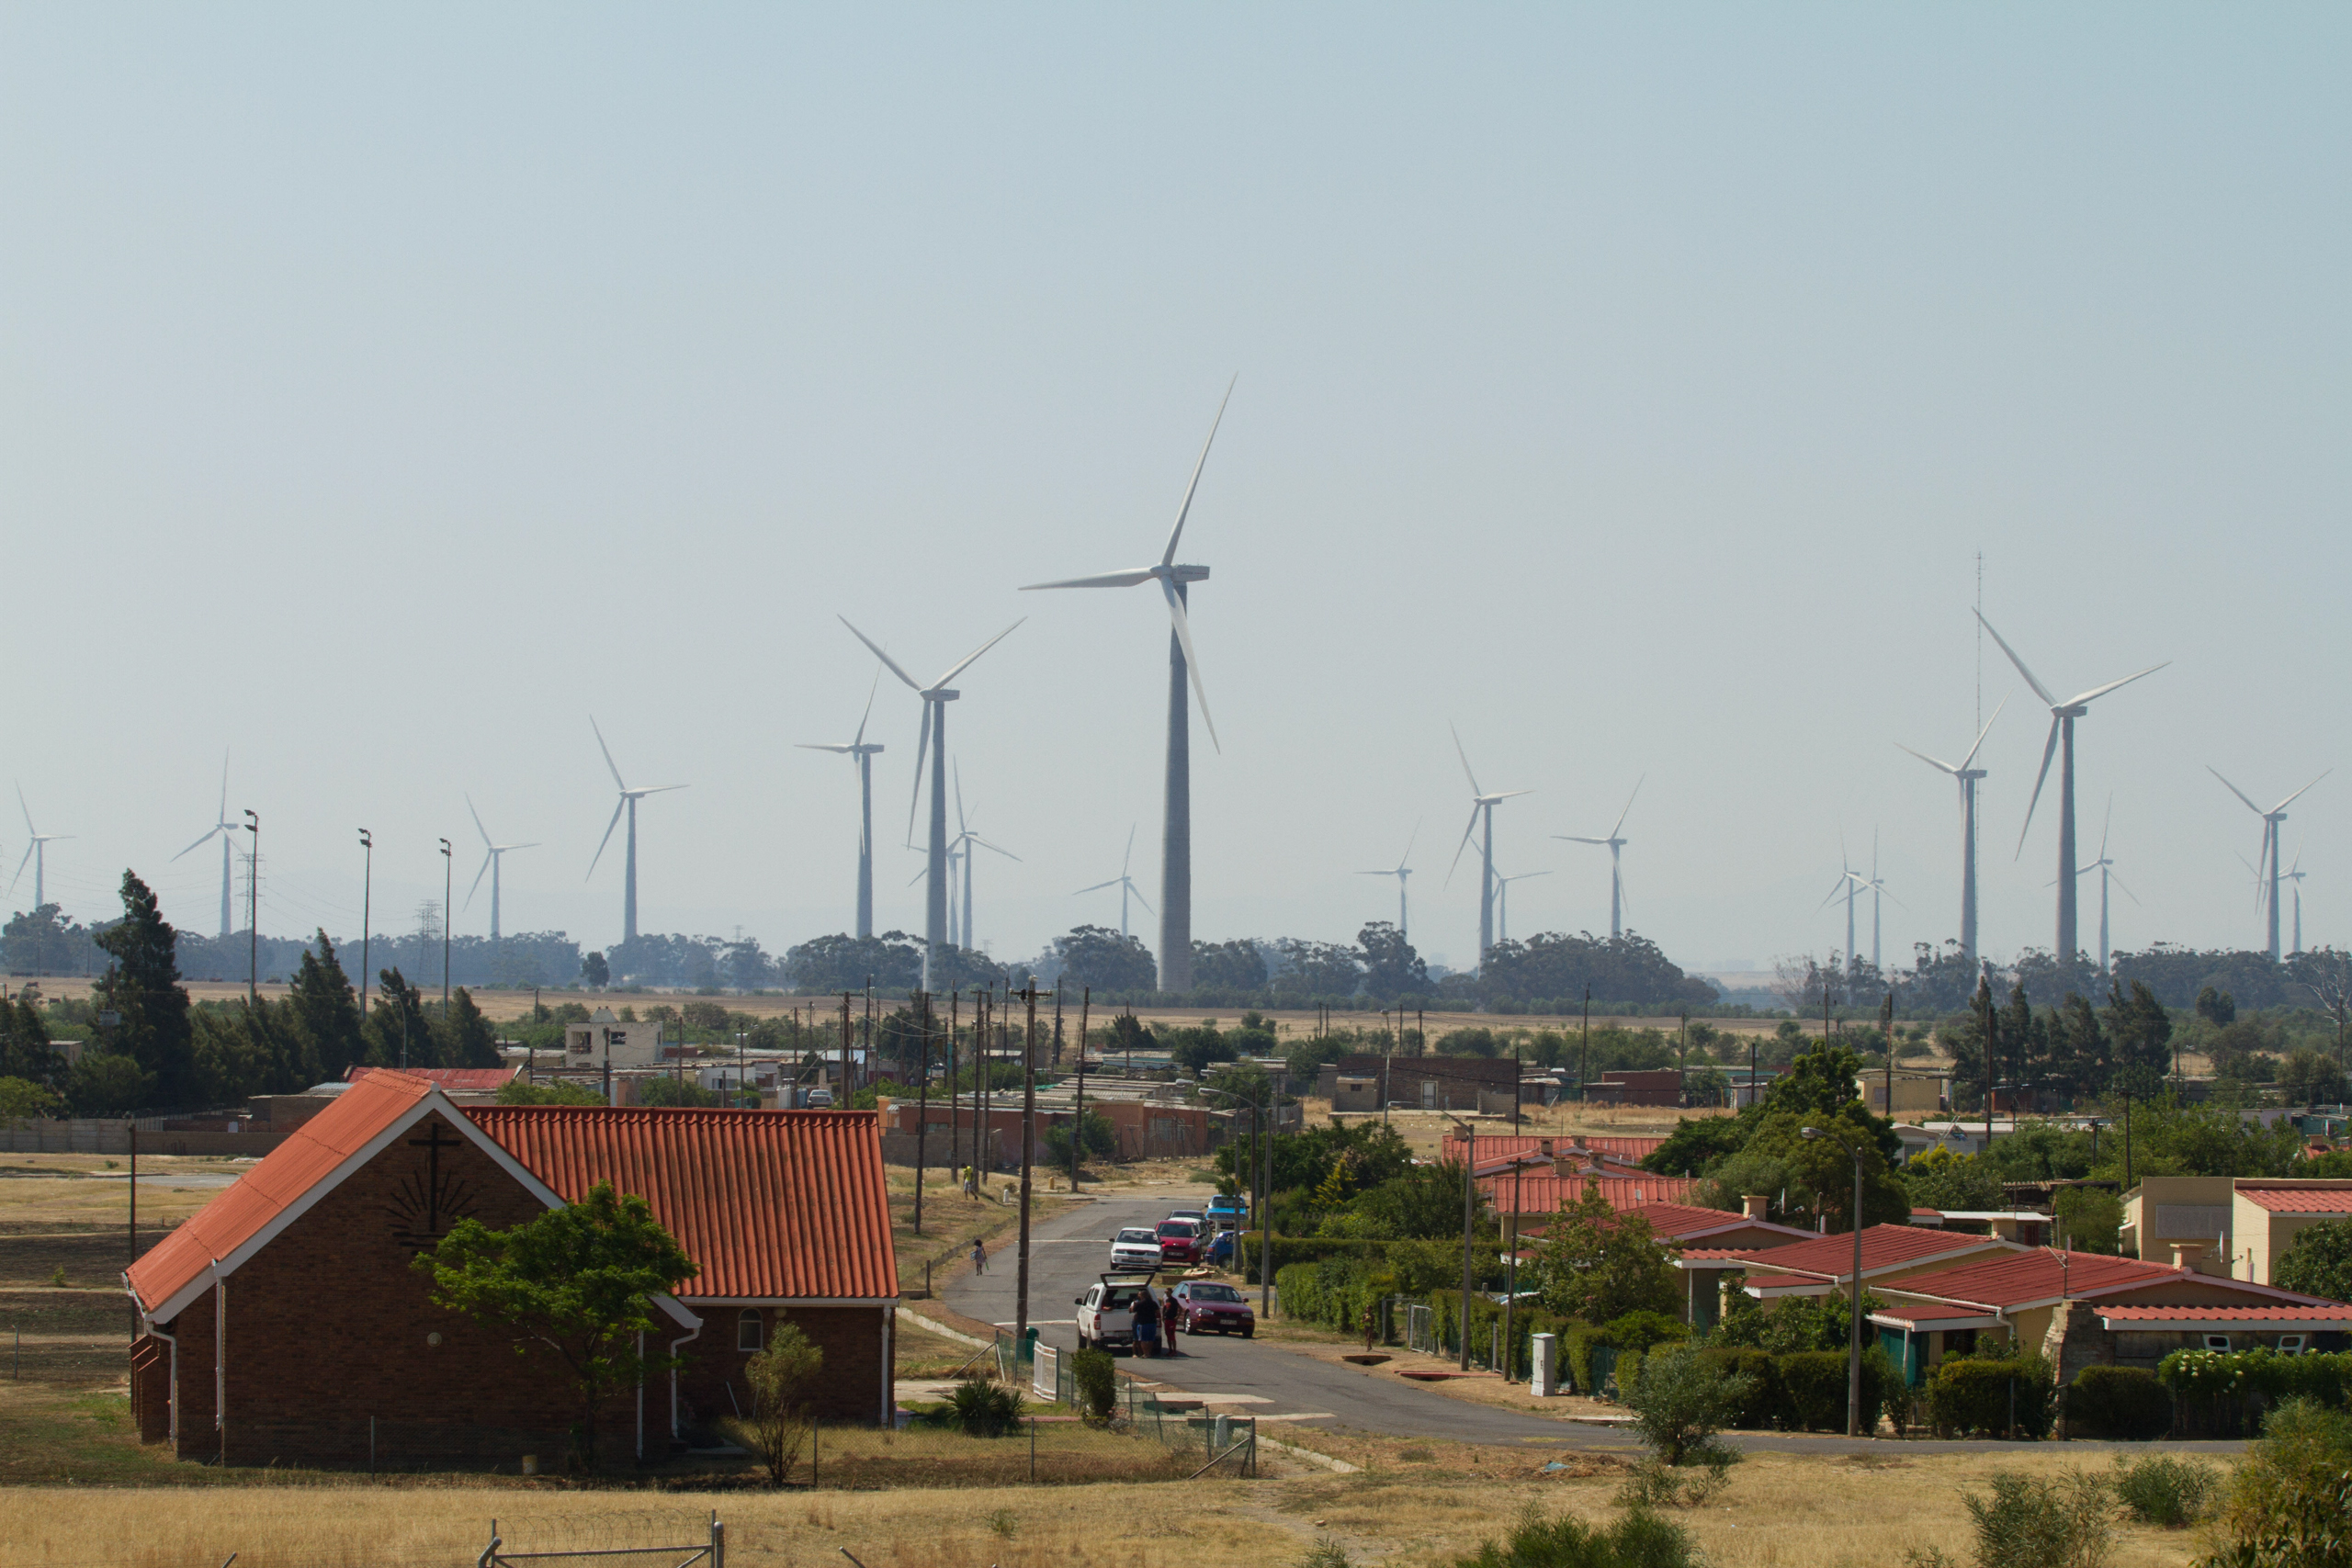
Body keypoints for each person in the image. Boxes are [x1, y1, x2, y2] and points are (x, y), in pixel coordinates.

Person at [1132, 1284, 1160, 1359]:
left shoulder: (1140, 1303)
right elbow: (1157, 1311)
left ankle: (1145, 1354)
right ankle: (1149, 1353)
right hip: (1152, 1323)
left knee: (1143, 1339)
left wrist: (1134, 1305)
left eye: (1140, 1295)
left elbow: (1133, 1310)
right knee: (1151, 1339)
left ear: (1142, 1296)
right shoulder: (1153, 1303)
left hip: (1143, 1323)